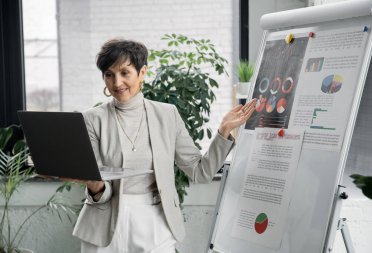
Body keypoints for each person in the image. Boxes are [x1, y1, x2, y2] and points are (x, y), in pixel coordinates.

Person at [71, 39, 257, 253]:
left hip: (156, 221)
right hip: (104, 225)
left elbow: (200, 172)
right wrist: (94, 186)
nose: (117, 82)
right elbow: (99, 188)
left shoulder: (167, 114)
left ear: (142, 73)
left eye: (125, 72)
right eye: (109, 74)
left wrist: (224, 131)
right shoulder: (91, 119)